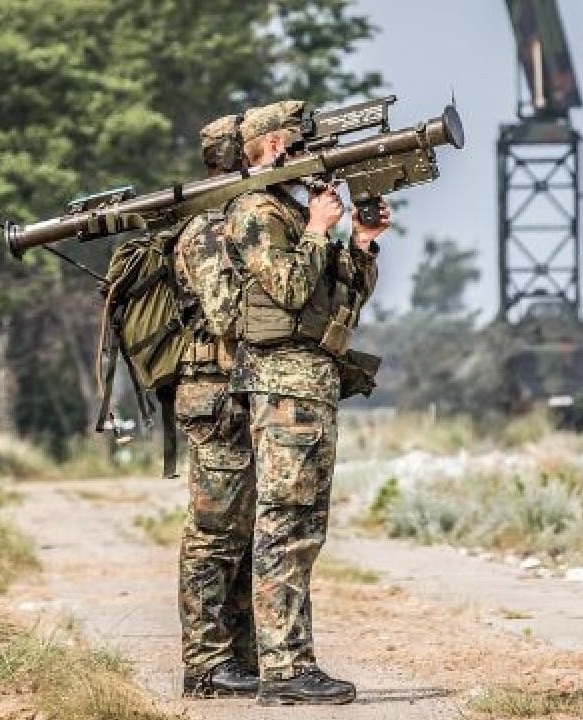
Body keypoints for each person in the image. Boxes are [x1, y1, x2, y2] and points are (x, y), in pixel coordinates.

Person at [223, 100, 387, 706]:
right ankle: (285, 672)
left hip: (310, 385)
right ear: (271, 147)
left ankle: (289, 665)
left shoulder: (289, 211)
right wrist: (319, 226)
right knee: (284, 527)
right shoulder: (253, 211)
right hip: (285, 386)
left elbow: (339, 296)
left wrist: (362, 243)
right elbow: (288, 287)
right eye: (297, 140)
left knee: (303, 528)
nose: (307, 150)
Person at [174, 113, 259, 698]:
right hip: (215, 395)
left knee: (250, 533)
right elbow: (229, 313)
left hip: (247, 393)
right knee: (213, 535)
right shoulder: (207, 230)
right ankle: (206, 665)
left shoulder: (244, 222)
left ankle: (242, 657)